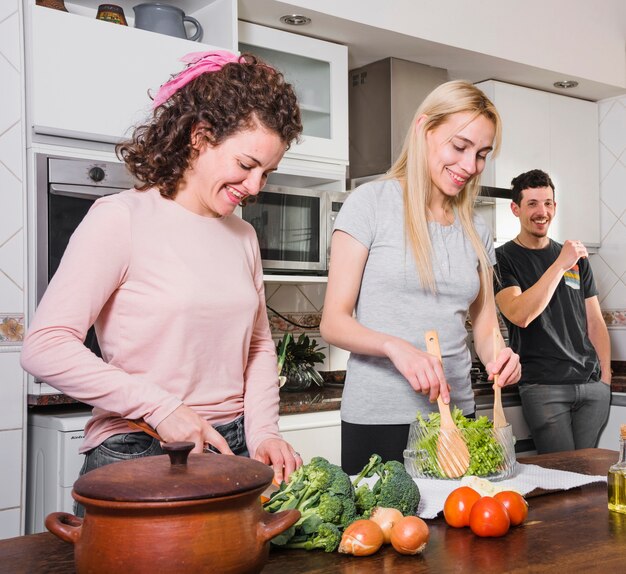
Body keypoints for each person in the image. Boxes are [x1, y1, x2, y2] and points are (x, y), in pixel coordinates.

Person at [21, 50, 304, 492]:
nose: (254, 187)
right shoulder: (121, 218)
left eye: (267, 173)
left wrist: (264, 431)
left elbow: (258, 346)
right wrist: (162, 409)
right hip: (142, 444)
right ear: (200, 136)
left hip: (233, 445)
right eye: (247, 165)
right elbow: (45, 346)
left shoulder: (243, 236)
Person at [320, 80, 521, 474]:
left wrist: (500, 358)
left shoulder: (477, 228)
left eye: (481, 154)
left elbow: (483, 326)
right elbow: (334, 321)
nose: (470, 165)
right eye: (459, 147)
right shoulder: (370, 205)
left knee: (459, 535)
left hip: (456, 416)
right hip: (379, 416)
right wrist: (396, 347)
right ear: (424, 129)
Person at [494, 169, 611, 454]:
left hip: (591, 386)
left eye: (547, 203)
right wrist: (560, 264)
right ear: (515, 208)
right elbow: (519, 314)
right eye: (532, 203)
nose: (541, 211)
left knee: (587, 477)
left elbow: (594, 321)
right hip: (544, 387)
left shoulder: (577, 260)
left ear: (555, 207)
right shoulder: (502, 258)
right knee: (561, 477)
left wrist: (604, 380)